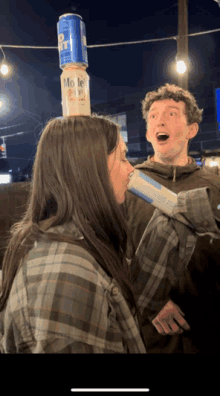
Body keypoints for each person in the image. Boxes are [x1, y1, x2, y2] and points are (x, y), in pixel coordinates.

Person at [0, 114, 219, 353]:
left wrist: (184, 215)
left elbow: (123, 297)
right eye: (123, 158)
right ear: (89, 169)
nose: (130, 171)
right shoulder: (67, 274)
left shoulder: (84, 241)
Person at [123, 82, 220, 353]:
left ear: (192, 130)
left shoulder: (215, 186)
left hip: (209, 330)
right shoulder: (128, 185)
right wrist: (152, 302)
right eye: (153, 116)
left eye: (171, 113)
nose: (159, 120)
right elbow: (111, 254)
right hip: (149, 335)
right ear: (148, 132)